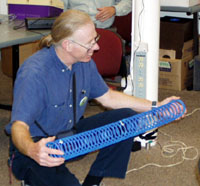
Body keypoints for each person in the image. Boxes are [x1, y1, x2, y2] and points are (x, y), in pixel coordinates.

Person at [5, 10, 184, 186]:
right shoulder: (34, 74)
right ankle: (31, 179)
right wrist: (32, 150)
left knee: (125, 118)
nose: (96, 47)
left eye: (95, 39)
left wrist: (156, 106)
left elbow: (108, 97)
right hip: (37, 148)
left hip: (70, 137)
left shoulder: (84, 62)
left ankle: (93, 182)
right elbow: (19, 126)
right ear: (68, 45)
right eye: (90, 43)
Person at [62, 0, 132, 29]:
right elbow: (59, 7)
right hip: (74, 29)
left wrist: (115, 9)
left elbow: (129, 1)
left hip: (103, 30)